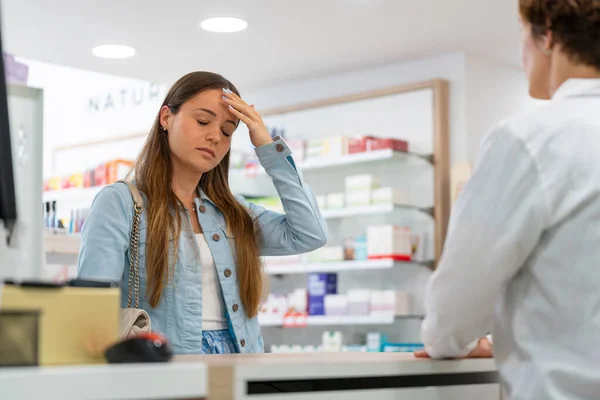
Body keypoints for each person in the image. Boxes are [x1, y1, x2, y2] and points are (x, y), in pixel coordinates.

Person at [417, 0, 600, 398]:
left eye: (521, 32)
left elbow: (452, 314)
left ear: (547, 35)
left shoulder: (529, 139)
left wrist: (454, 339)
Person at [77, 71, 327, 355]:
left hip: (239, 361)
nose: (214, 137)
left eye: (227, 131)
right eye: (203, 121)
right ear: (166, 118)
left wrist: (267, 147)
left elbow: (310, 234)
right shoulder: (120, 202)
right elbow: (92, 304)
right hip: (164, 363)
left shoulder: (234, 212)